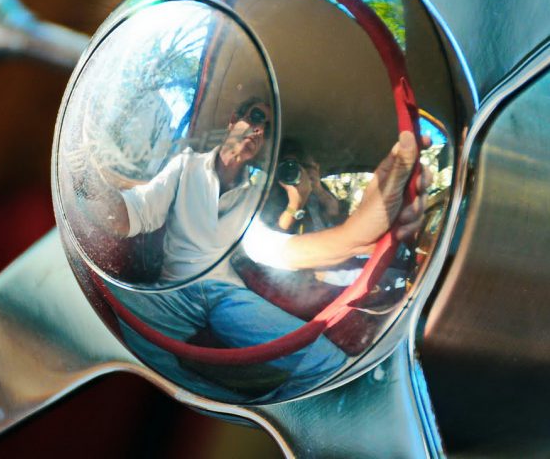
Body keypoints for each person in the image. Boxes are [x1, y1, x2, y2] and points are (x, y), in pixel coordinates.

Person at [72, 96, 430, 400]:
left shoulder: (253, 195)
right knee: (106, 323)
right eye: (256, 117)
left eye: (266, 129)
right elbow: (128, 215)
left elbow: (273, 249)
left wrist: (359, 232)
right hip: (174, 291)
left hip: (227, 296)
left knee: (326, 362)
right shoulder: (186, 167)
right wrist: (85, 179)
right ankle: (205, 402)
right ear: (234, 120)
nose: (258, 131)